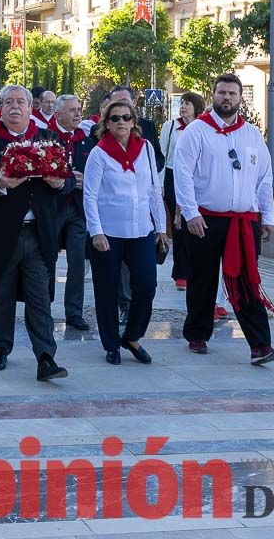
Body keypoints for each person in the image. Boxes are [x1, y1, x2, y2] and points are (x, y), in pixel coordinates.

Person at [173, 73, 274, 364]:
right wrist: (190, 212)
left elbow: (263, 178)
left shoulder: (252, 135)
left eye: (232, 93)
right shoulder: (196, 131)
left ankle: (260, 345)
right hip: (205, 219)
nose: (227, 98)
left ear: (241, 98)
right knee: (202, 279)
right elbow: (182, 174)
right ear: (213, 95)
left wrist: (268, 216)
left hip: (243, 221)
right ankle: (197, 334)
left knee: (246, 281)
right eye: (222, 92)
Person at [0, 85, 70, 381]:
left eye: (20, 102)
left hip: (38, 233)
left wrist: (59, 183)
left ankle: (46, 357)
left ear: (30, 107)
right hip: (2, 232)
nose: (15, 107)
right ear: (0, 108)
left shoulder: (48, 138)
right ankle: (0, 347)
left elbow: (67, 181)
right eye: (8, 102)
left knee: (40, 296)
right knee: (0, 293)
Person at [85, 100, 169, 365]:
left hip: (141, 230)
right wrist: (96, 232)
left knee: (146, 284)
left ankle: (132, 336)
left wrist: (161, 227)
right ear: (107, 124)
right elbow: (89, 195)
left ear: (134, 121)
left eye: (126, 117)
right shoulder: (99, 153)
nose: (121, 122)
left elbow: (155, 190)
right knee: (107, 290)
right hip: (108, 232)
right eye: (115, 118)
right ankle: (111, 344)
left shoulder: (145, 149)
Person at [48, 95, 93, 332]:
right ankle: (43, 307)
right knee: (47, 260)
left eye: (78, 109)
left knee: (77, 261)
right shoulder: (46, 138)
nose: (77, 114)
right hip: (52, 208)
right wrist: (66, 178)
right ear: (58, 115)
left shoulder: (85, 140)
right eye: (72, 110)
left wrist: (85, 180)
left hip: (77, 208)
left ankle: (74, 312)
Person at [159, 93, 204, 290]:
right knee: (179, 224)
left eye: (188, 104)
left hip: (197, 178)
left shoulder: (202, 126)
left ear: (196, 107)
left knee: (193, 221)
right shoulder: (170, 126)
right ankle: (180, 272)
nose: (183, 107)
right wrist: (160, 184)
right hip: (172, 176)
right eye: (182, 103)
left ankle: (195, 268)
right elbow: (162, 155)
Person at [110, 85, 164, 169]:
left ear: (134, 102)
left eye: (124, 101)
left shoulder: (148, 126)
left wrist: (148, 168)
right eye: (115, 103)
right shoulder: (99, 129)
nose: (120, 107)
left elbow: (158, 158)